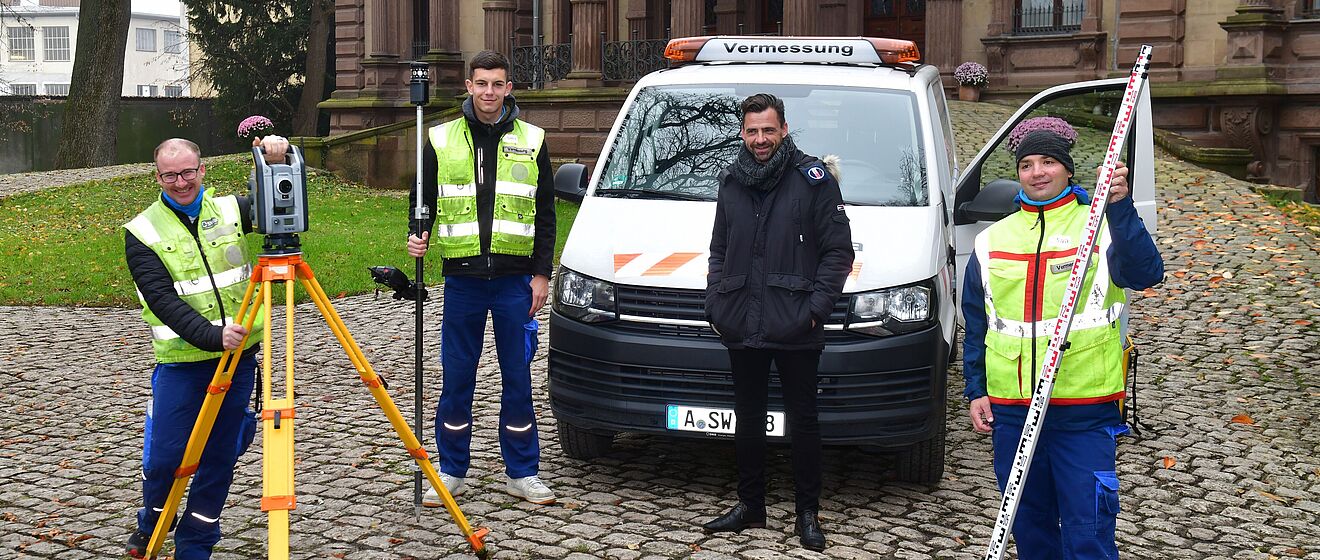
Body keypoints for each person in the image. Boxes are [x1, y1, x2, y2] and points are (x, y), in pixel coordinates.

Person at [961, 129, 1164, 559]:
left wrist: (1119, 206)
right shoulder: (991, 240)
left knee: (1088, 527)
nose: (1037, 172)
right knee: (1030, 525)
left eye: (1047, 162)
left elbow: (1146, 273)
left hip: (1083, 409)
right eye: (1026, 165)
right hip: (1014, 411)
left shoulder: (1100, 227)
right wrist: (976, 389)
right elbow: (978, 322)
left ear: (1067, 170)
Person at [701, 93, 854, 552]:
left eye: (768, 130)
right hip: (741, 320)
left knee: (803, 422)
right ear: (742, 133)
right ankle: (751, 506)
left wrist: (815, 311)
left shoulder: (813, 179)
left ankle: (807, 513)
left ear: (784, 129)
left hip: (796, 323)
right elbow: (719, 250)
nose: (760, 139)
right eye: (752, 131)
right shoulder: (731, 179)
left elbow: (838, 252)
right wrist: (715, 302)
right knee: (747, 419)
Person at [124, 136, 290, 559]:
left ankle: (196, 545)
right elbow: (161, 300)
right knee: (165, 460)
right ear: (157, 177)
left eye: (188, 172)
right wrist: (212, 336)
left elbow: (281, 204)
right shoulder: (141, 232)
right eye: (169, 175)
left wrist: (276, 161)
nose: (180, 182)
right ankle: (154, 521)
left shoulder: (232, 210)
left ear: (202, 170)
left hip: (238, 361)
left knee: (219, 457)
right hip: (183, 364)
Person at [406, 50, 557, 506]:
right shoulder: (438, 138)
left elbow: (546, 212)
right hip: (464, 279)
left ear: (509, 88)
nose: (489, 92)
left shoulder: (532, 138)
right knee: (457, 376)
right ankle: (452, 470)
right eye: (481, 83)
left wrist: (541, 274)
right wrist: (417, 234)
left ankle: (522, 472)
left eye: (497, 84)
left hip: (515, 281)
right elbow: (422, 197)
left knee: (517, 377)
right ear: (468, 87)